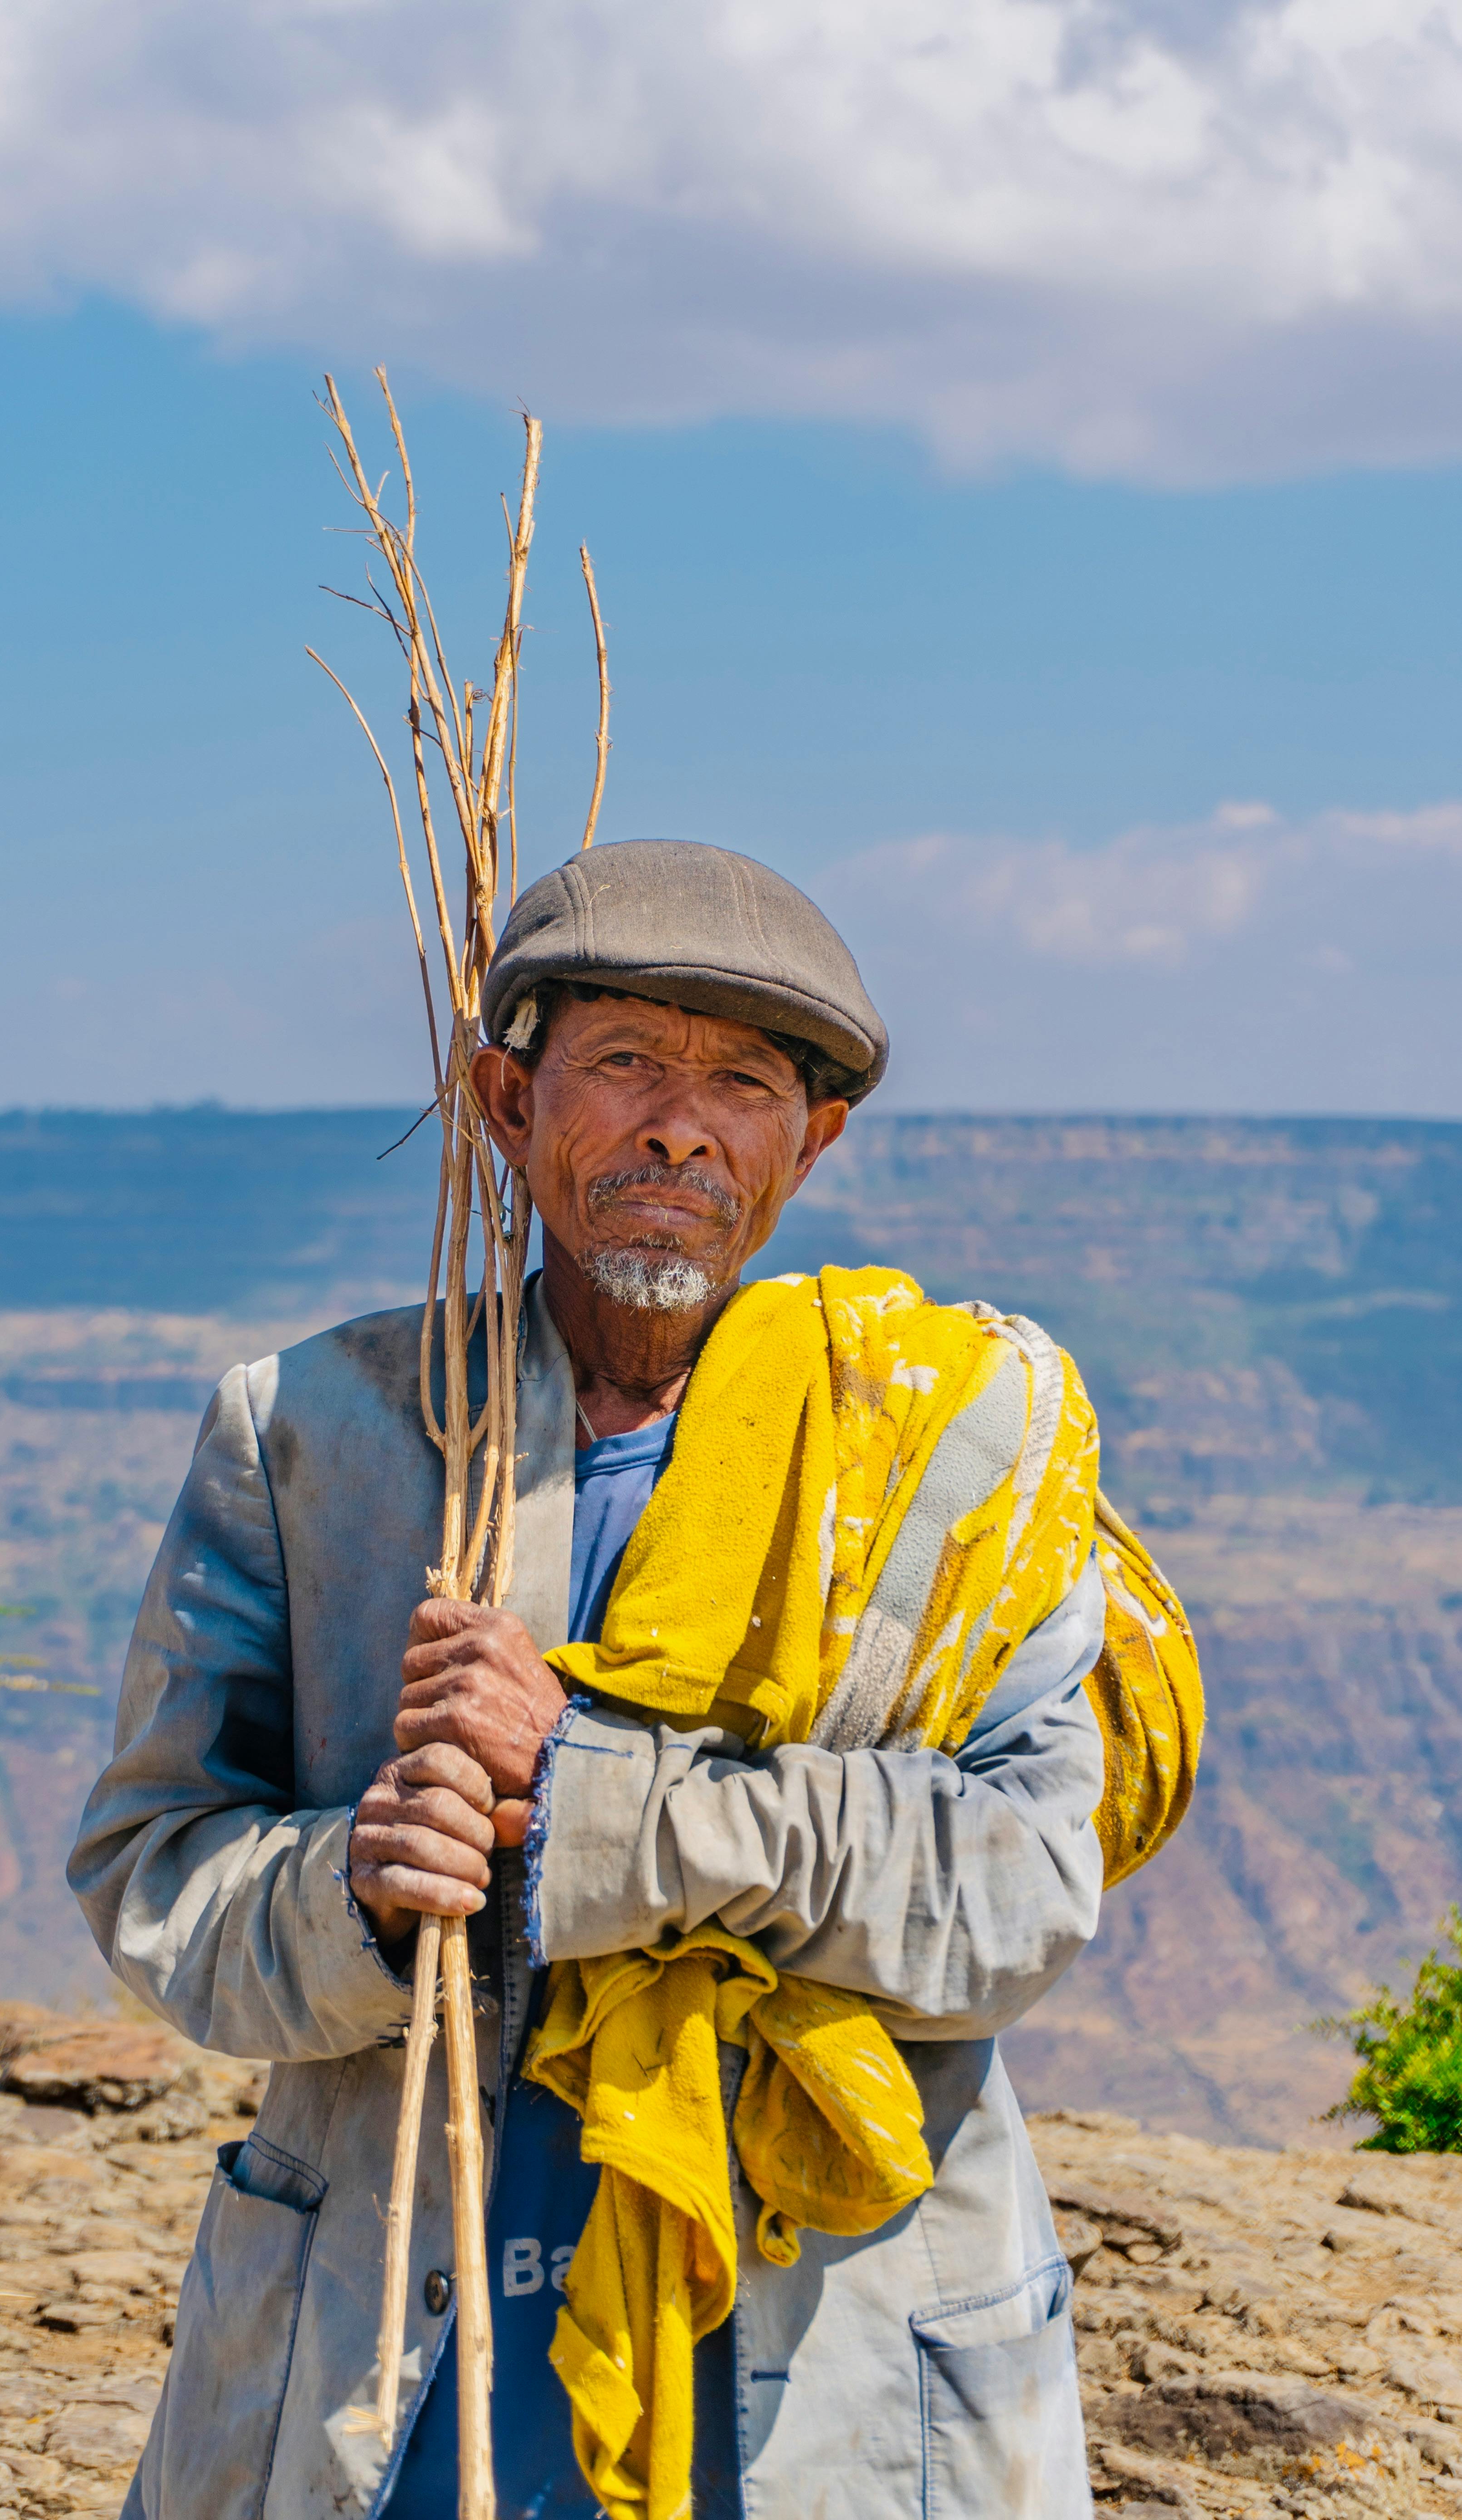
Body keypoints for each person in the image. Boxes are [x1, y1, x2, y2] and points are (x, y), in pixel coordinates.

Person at [68, 837, 1135, 2520]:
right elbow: (152, 1868)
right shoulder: (313, 1437)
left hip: (825, 2381)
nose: (677, 1126)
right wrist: (349, 1884)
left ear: (814, 1139)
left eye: (742, 1081)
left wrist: (587, 1802)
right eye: (623, 1060)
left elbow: (1023, 1889)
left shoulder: (954, 1446)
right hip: (397, 2366)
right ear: (504, 1100)